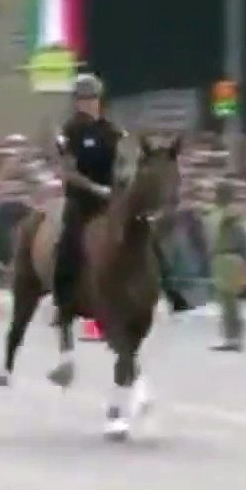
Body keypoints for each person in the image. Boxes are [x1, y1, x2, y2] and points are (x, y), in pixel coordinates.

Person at [52, 73, 190, 324]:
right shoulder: (68, 132)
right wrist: (95, 188)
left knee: (144, 231)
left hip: (111, 198)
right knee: (68, 243)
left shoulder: (112, 129)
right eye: (84, 98)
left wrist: (127, 173)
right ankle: (63, 300)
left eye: (93, 97)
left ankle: (171, 289)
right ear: (76, 102)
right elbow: (68, 172)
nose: (89, 103)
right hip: (82, 200)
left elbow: (127, 155)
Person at [206, 180, 246, 351]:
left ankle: (234, 338)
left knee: (230, 301)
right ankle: (228, 336)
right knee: (224, 300)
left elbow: (243, 238)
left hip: (230, 256)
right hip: (219, 258)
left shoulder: (232, 214)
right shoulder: (216, 212)